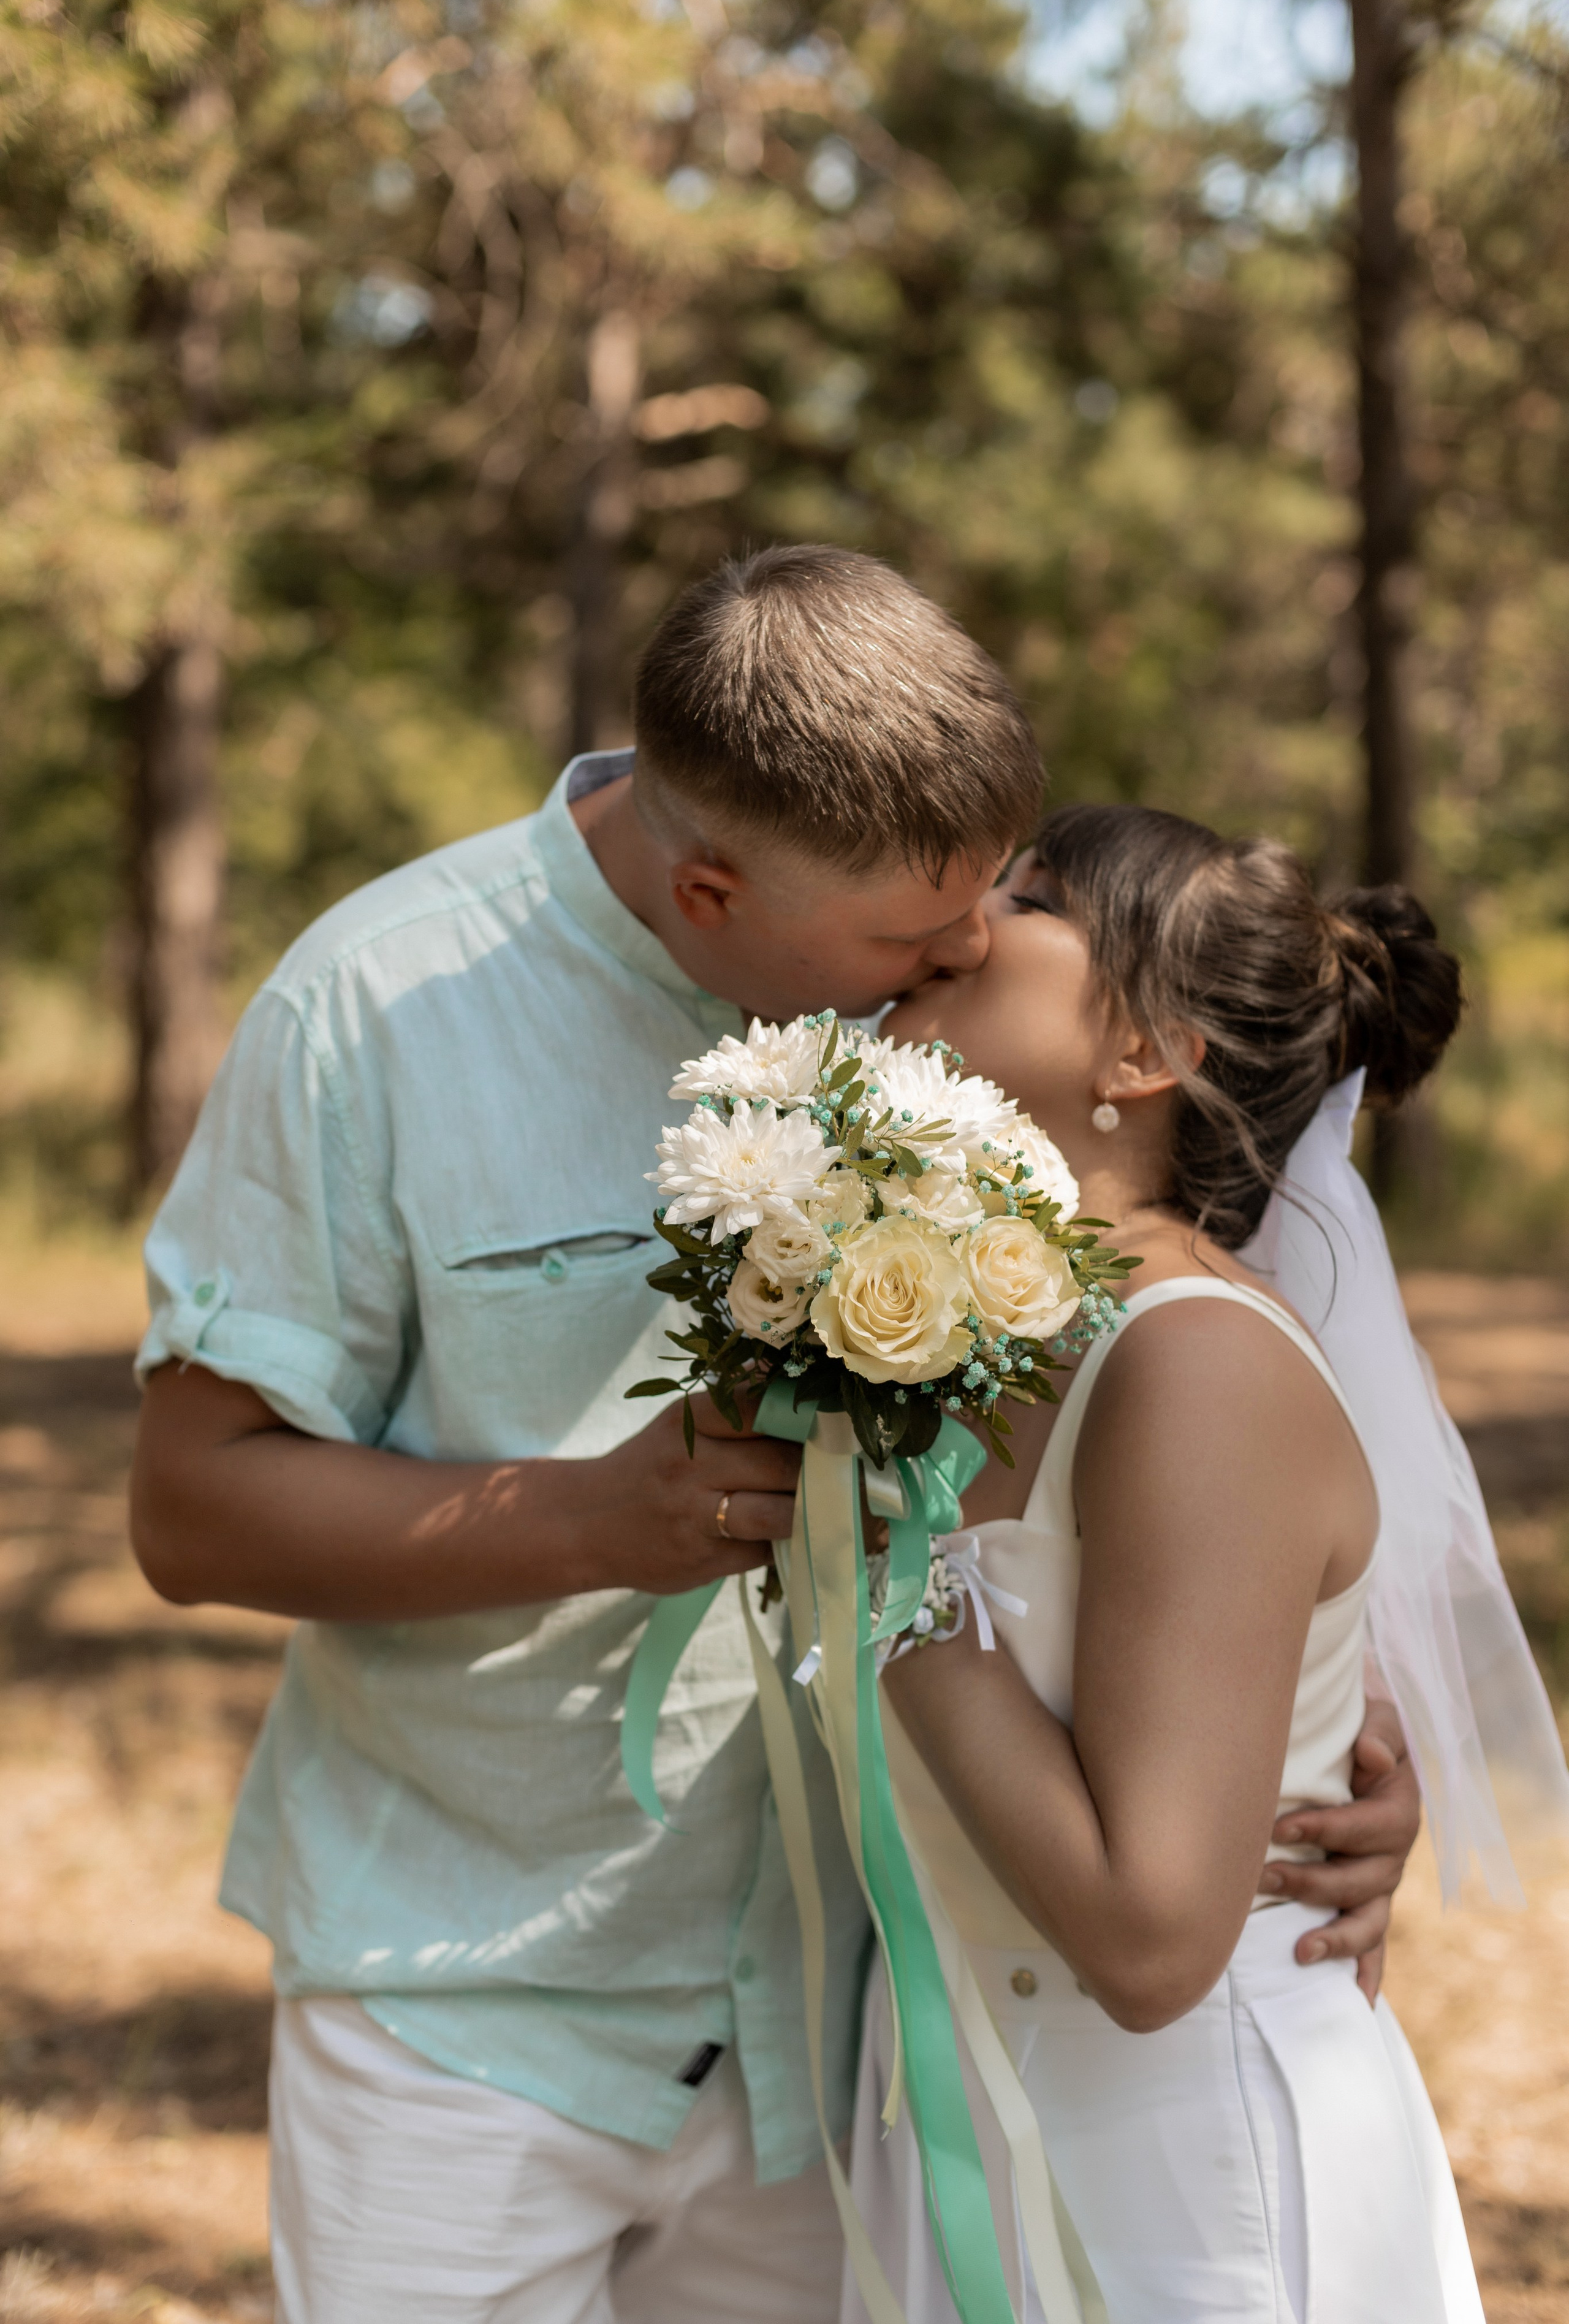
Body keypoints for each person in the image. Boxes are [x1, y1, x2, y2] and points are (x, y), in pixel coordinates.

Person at [127, 551, 1416, 2324]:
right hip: (480, 2006)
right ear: (711, 888)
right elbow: (190, 1511)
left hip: (870, 2031)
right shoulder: (376, 1008)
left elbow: (1170, 1426)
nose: (966, 948)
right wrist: (597, 1523)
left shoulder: (952, 1017)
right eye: (917, 937)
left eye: (993, 896)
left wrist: (1317, 1748)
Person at [848, 803, 1494, 2323]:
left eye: (1029, 902)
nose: (963, 926)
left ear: (1142, 1052)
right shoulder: (963, 1328)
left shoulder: (1192, 1362)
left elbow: (1151, 1943)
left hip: (1184, 2183)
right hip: (958, 2115)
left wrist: (877, 1571)